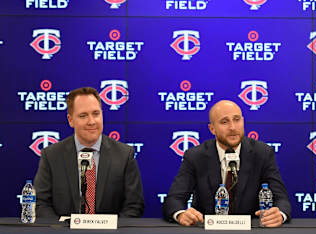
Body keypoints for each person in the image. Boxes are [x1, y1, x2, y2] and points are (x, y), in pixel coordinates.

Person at [162, 100, 291, 227]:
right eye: (224, 122)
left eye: (237, 119)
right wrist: (181, 214)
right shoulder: (196, 156)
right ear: (212, 128)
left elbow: (281, 199)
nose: (232, 127)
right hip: (208, 230)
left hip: (251, 229)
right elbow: (174, 199)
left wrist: (279, 214)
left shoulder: (262, 153)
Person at [34, 87, 144, 217]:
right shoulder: (51, 155)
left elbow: (134, 205)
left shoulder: (124, 155)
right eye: (83, 115)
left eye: (96, 114)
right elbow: (41, 203)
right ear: (70, 120)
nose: (91, 121)